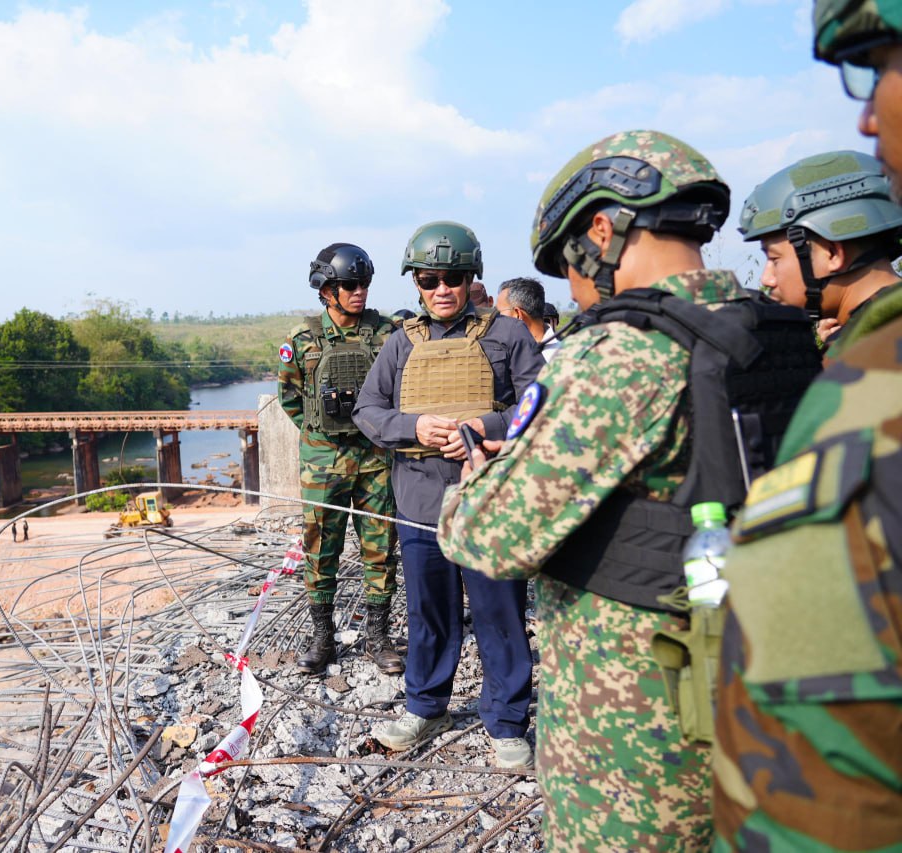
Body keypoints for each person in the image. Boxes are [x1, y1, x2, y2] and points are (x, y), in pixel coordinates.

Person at [436, 131, 750, 851]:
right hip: (758, 679)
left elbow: (488, 535)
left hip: (638, 714)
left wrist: (480, 476)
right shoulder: (773, 329)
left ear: (600, 234)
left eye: (565, 266)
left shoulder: (621, 351)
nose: (571, 291)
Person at [712, 4, 902, 848]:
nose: (764, 276)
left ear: (828, 250)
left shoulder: (873, 376)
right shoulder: (849, 351)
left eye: (772, 255)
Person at [352, 221, 542, 767]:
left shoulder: (508, 336)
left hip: (487, 499)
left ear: (469, 278)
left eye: (453, 278)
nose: (441, 289)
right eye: (429, 279)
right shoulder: (399, 343)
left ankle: (507, 722)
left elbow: (541, 402)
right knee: (428, 613)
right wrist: (413, 426)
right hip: (418, 500)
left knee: (499, 613)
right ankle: (426, 706)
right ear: (415, 282)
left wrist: (486, 426)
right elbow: (368, 410)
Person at [277, 243, 402, 676]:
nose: (359, 291)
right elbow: (290, 398)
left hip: (374, 459)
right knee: (319, 548)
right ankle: (322, 638)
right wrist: (322, 434)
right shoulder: (302, 339)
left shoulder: (388, 333)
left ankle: (378, 637)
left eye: (364, 283)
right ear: (326, 290)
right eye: (350, 285)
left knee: (380, 549)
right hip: (323, 461)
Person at [737, 149, 902, 351]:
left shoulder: (867, 352)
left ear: (832, 253)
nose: (767, 279)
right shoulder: (873, 335)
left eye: (774, 259)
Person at [496, 277, 561, 362]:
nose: (496, 318)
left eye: (499, 313)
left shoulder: (565, 357)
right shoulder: (498, 353)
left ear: (518, 314)